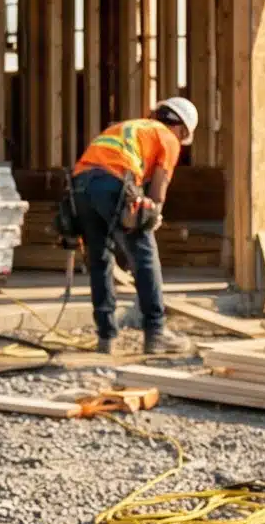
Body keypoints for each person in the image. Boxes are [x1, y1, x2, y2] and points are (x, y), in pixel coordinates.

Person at [68, 98, 199, 355]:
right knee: (145, 256)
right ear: (181, 129)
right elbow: (158, 188)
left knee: (100, 260)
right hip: (113, 182)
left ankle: (106, 337)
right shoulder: (167, 138)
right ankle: (156, 332)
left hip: (80, 186)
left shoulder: (128, 127)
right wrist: (153, 215)